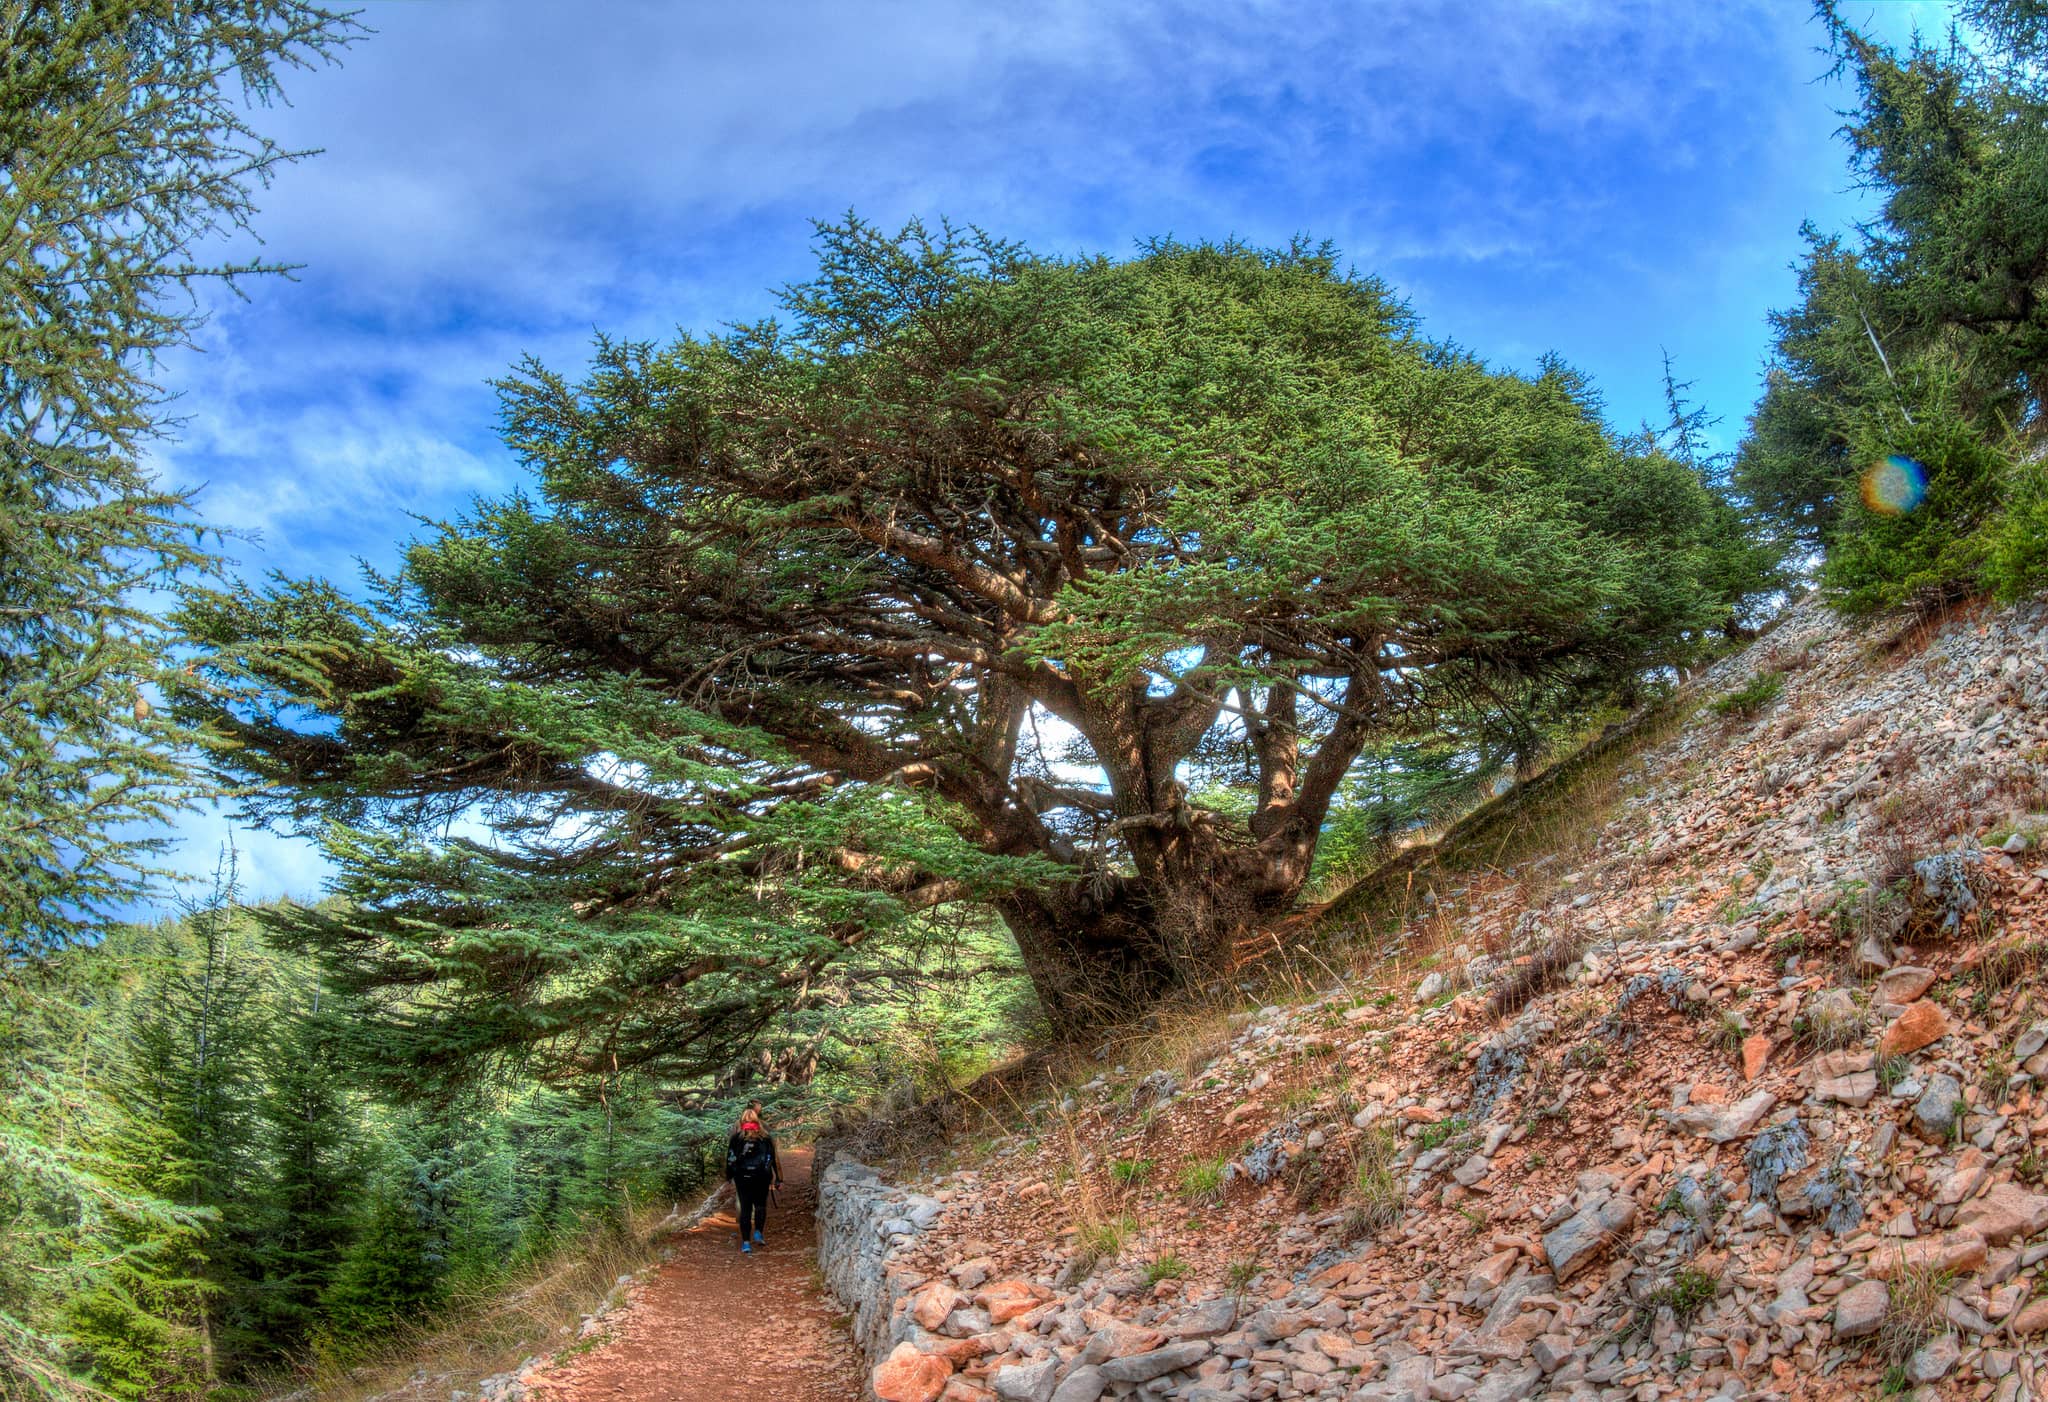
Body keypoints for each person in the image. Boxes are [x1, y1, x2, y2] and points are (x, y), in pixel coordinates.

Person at [725, 1108, 781, 1253]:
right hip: (762, 1177)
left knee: (745, 1209)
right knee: (760, 1205)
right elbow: (772, 1158)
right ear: (757, 1120)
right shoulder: (766, 1138)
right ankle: (758, 1233)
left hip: (743, 1177)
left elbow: (731, 1159)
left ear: (742, 1121)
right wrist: (777, 1178)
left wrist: (729, 1176)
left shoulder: (736, 1138)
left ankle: (746, 1243)